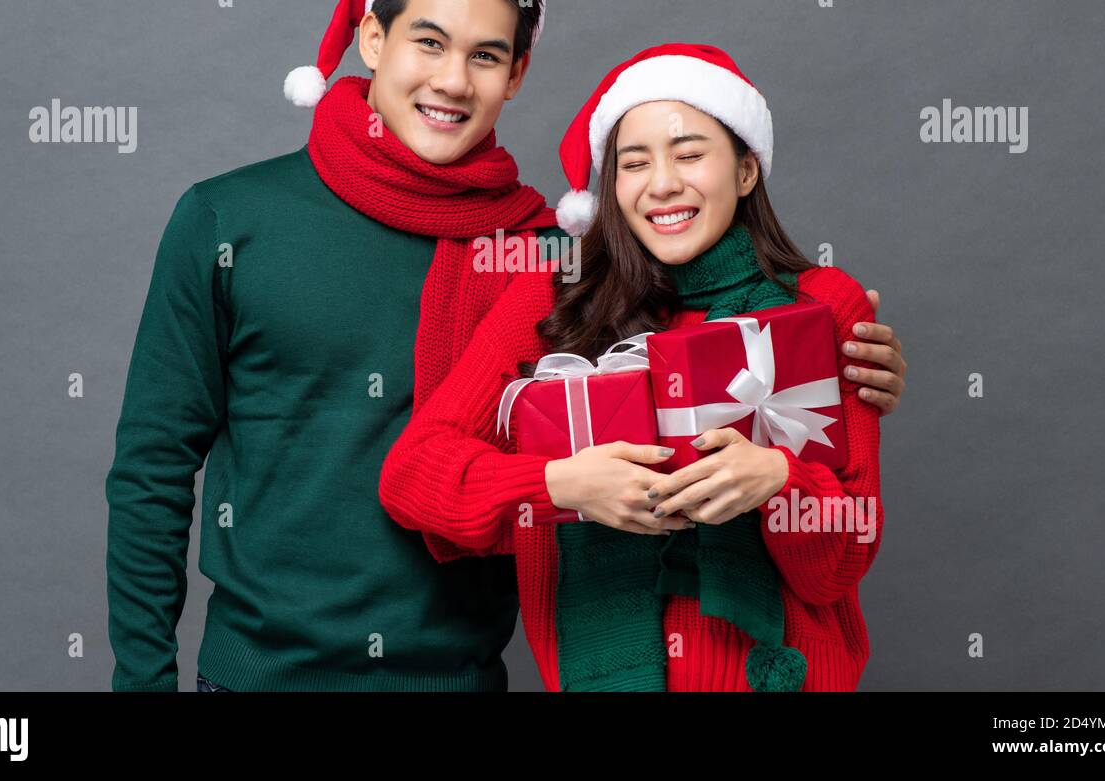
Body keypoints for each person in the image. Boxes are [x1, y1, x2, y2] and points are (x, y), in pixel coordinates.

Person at [106, 0, 906, 692]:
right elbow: (153, 471)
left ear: (517, 73)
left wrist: (836, 343)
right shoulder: (229, 220)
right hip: (259, 675)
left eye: (487, 56)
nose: (452, 80)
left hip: (461, 673)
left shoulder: (552, 256)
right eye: (428, 42)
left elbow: (697, 305)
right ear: (371, 38)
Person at [380, 43, 886, 691]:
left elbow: (839, 568)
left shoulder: (821, 305)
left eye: (691, 153)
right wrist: (560, 483)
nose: (662, 183)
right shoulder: (552, 297)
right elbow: (411, 474)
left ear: (746, 170)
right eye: (634, 162)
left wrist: (776, 481)